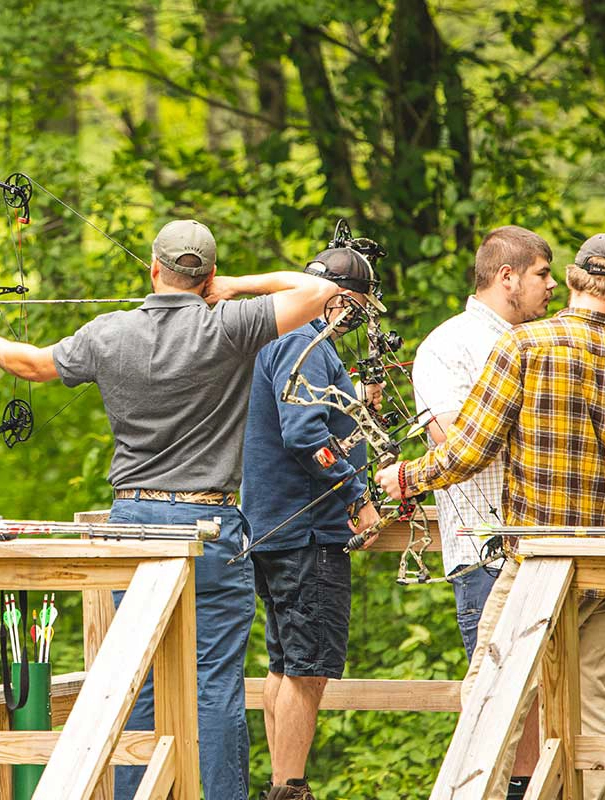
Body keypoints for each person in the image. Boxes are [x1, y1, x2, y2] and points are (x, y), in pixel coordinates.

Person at [0, 219, 345, 800]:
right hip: (208, 525)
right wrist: (236, 286)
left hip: (131, 528)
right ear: (207, 274)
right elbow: (320, 292)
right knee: (212, 684)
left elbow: (31, 364)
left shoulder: (109, 332)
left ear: (153, 269)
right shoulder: (230, 325)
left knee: (138, 680)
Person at [375, 233, 605, 800]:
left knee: (492, 705)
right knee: (593, 717)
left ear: (571, 280)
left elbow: (469, 450)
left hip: (536, 564)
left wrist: (405, 478)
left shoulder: (523, 347)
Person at [241, 242, 385, 800]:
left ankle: (281, 784)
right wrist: (357, 496)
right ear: (343, 300)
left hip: (273, 529)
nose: (360, 322)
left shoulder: (280, 341)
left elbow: (318, 424)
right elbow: (306, 437)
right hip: (307, 533)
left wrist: (359, 403)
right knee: (308, 668)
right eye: (361, 309)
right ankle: (291, 789)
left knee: (283, 664)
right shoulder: (310, 345)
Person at [411, 225, 556, 657]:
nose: (552, 286)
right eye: (542, 274)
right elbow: (454, 441)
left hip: (553, 550)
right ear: (507, 276)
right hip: (487, 558)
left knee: (559, 703)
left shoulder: (541, 343)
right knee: (504, 709)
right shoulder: (448, 345)